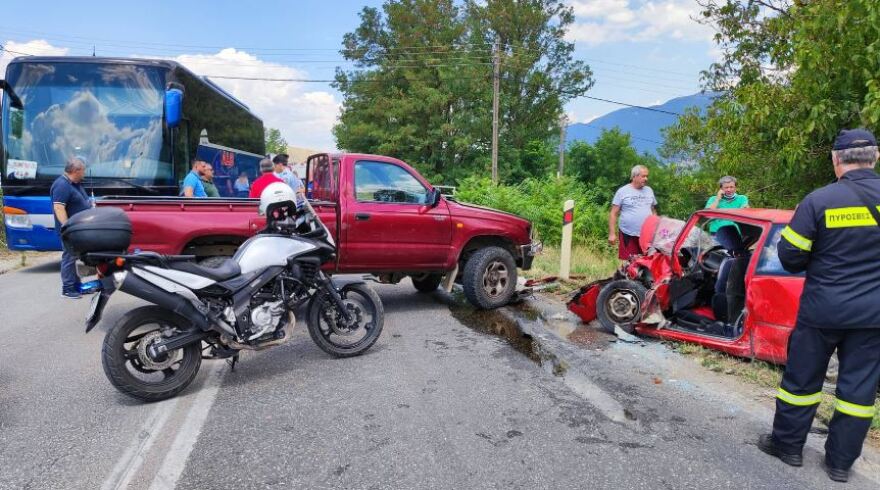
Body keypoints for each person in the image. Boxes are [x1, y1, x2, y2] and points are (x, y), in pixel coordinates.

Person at [757, 128, 880, 483]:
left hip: (823, 309)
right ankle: (840, 464)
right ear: (876, 157)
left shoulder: (819, 201)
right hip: (873, 316)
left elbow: (790, 258)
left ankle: (788, 447)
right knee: (858, 393)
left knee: (802, 381)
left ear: (836, 160)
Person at [51, 157, 92, 299]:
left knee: (74, 257)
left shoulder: (74, 184)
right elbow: (58, 207)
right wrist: (67, 227)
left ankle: (75, 285)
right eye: (83, 170)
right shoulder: (61, 185)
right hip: (70, 231)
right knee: (69, 257)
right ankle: (67, 289)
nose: (84, 173)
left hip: (78, 230)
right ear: (76, 170)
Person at [608, 165, 657, 260]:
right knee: (629, 262)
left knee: (648, 261)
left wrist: (656, 228)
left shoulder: (649, 190)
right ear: (634, 176)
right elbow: (613, 213)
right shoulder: (622, 191)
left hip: (647, 235)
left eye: (647, 176)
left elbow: (653, 210)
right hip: (628, 234)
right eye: (643, 176)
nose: (646, 179)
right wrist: (612, 233)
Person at [705, 176, 749, 251]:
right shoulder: (713, 199)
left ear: (735, 188)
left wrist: (746, 208)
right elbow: (708, 215)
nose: (729, 189)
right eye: (726, 187)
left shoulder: (742, 198)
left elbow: (745, 212)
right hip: (716, 234)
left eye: (731, 187)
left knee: (735, 256)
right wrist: (718, 199)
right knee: (719, 256)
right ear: (721, 189)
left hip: (735, 234)